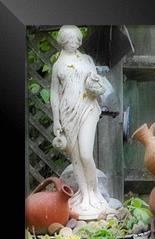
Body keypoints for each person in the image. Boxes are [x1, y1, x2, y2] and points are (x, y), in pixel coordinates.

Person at [50, 25, 113, 220]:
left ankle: (95, 194)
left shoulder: (86, 60)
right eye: (71, 40)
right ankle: (84, 195)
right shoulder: (58, 65)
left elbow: (95, 83)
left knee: (86, 154)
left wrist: (95, 83)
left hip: (88, 108)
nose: (76, 43)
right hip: (67, 112)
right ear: (63, 41)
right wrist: (56, 120)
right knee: (75, 157)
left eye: (77, 39)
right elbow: (54, 93)